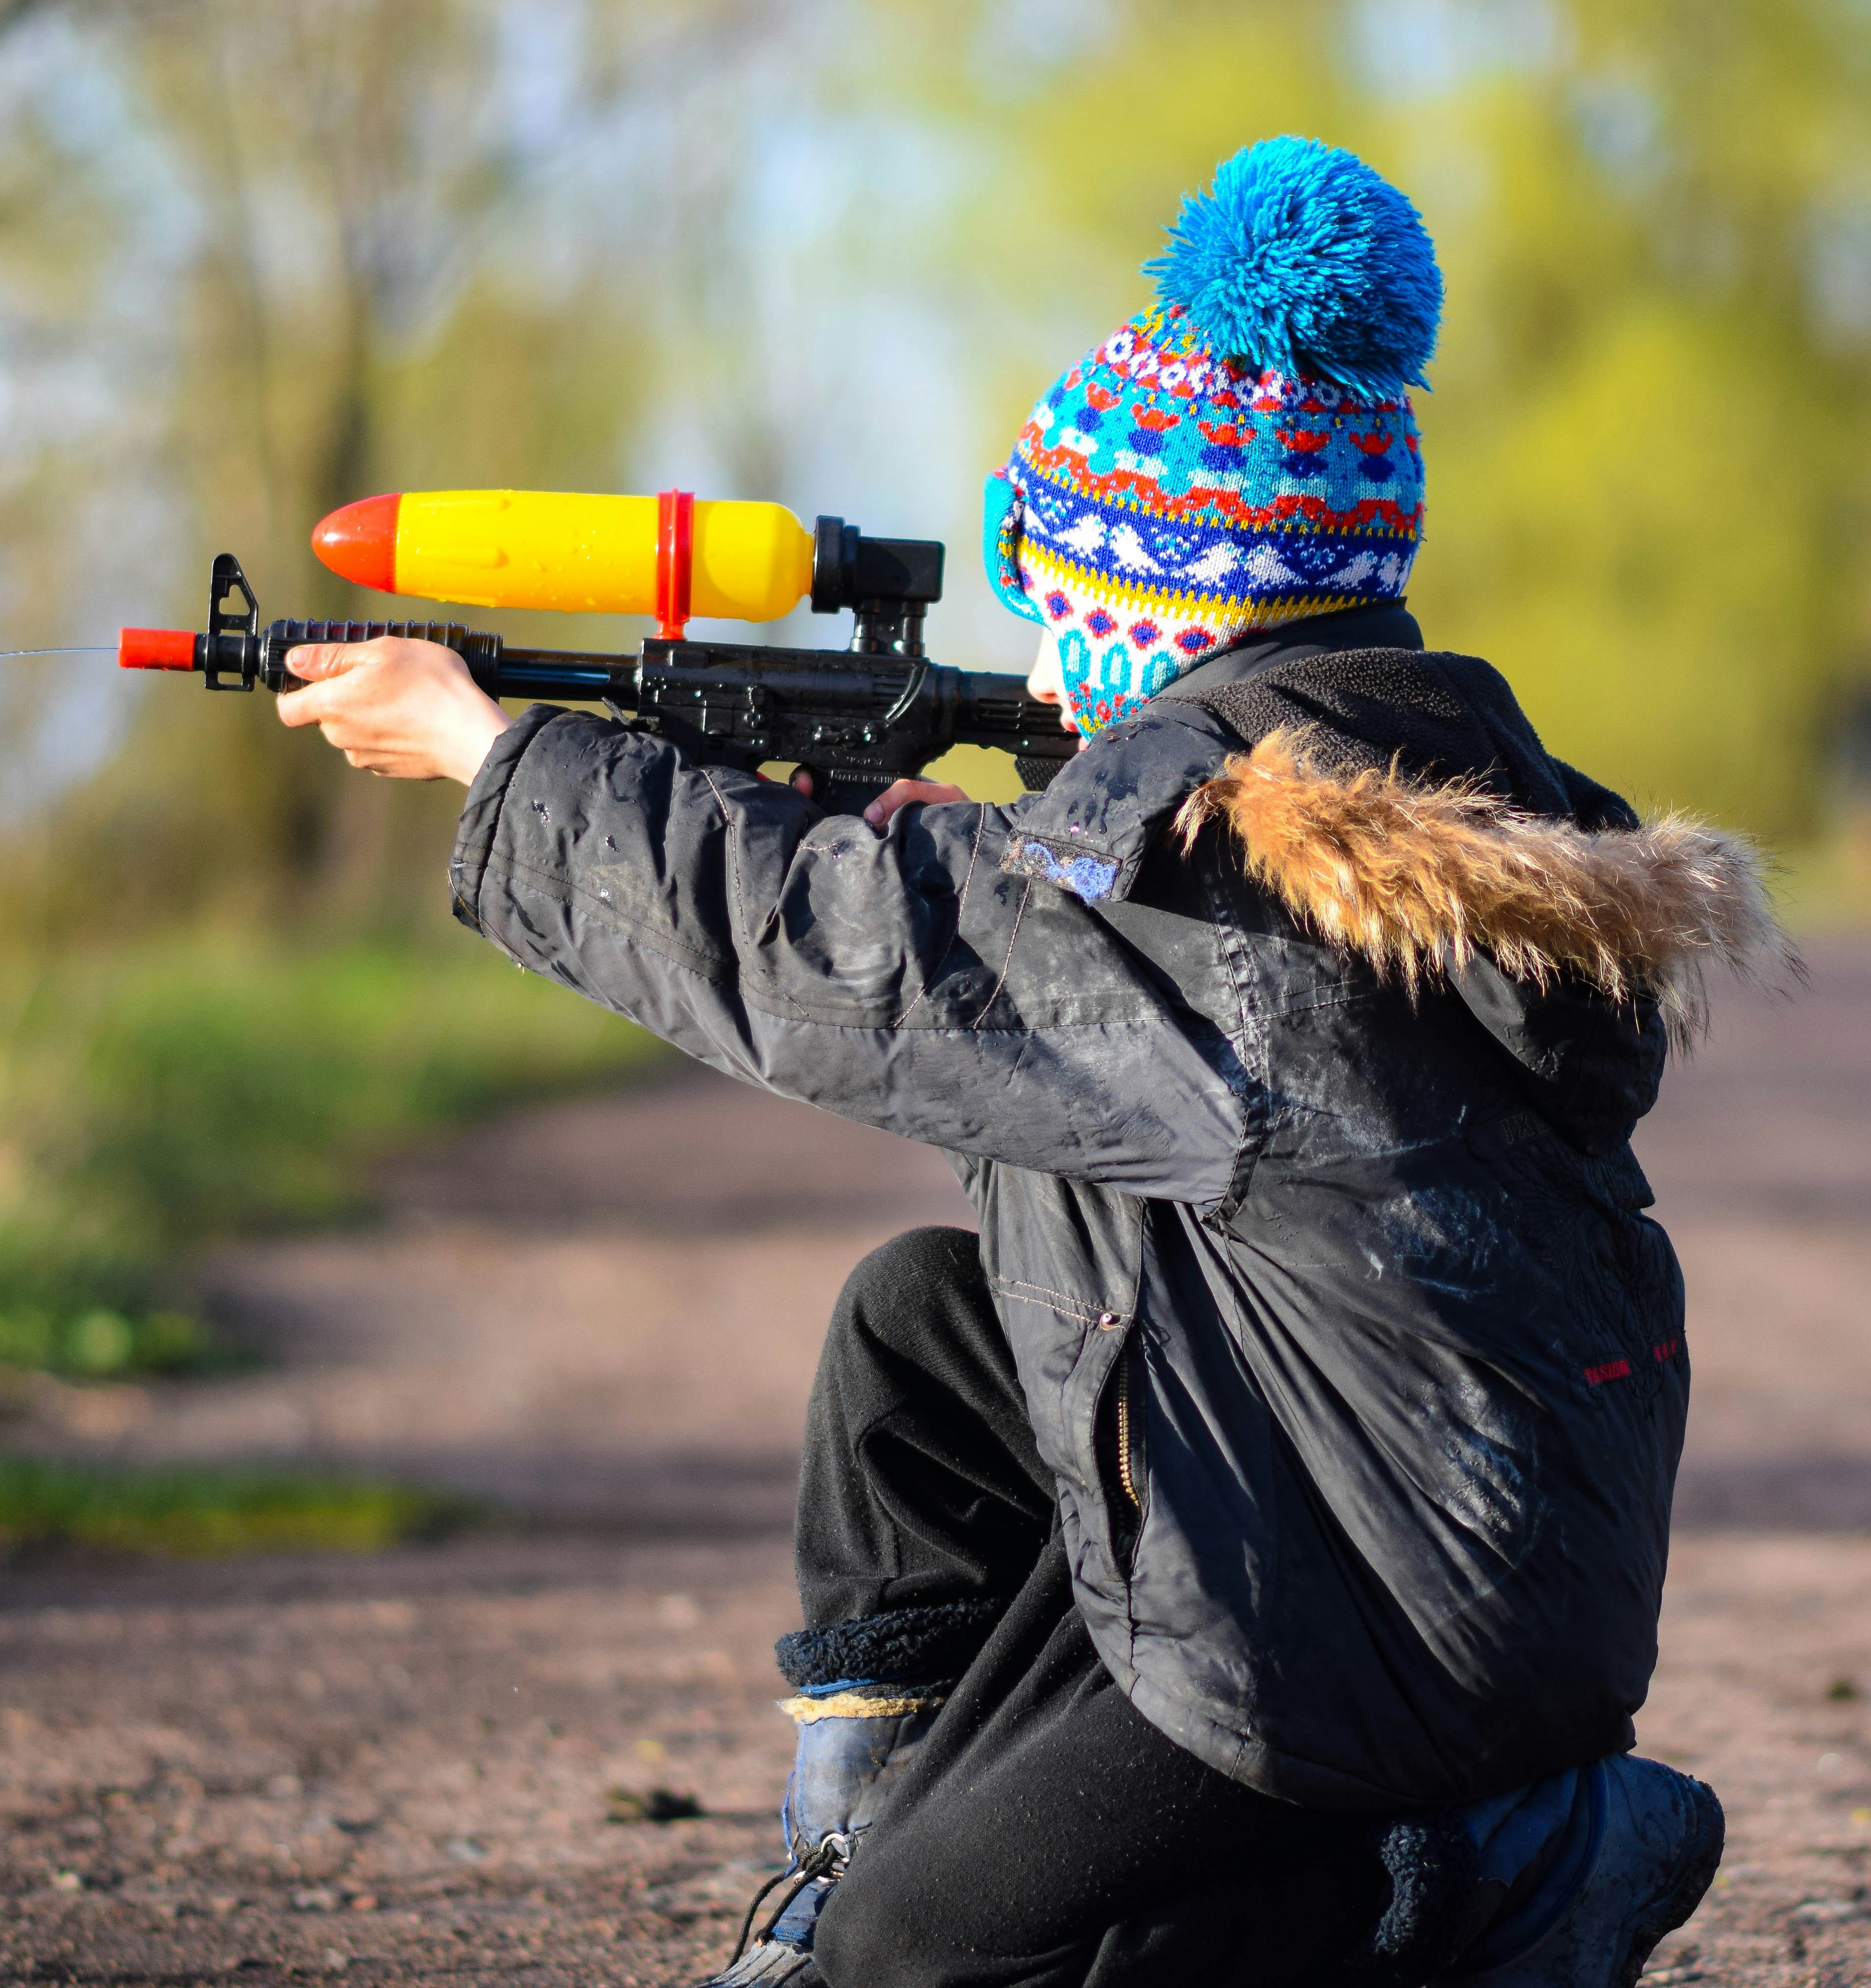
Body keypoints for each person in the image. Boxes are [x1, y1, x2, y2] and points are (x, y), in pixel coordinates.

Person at [271, 135, 1787, 1988]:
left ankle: (1501, 1869)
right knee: (921, 1330)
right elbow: (1090, 1033)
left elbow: (837, 958)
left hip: (1382, 1631)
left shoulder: (1214, 898)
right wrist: (993, 860)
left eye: (1058, 604)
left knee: (928, 1964)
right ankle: (874, 1865)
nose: (1045, 662)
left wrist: (491, 757)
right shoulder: (1391, 813)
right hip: (1409, 1522)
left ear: (1152, 613)